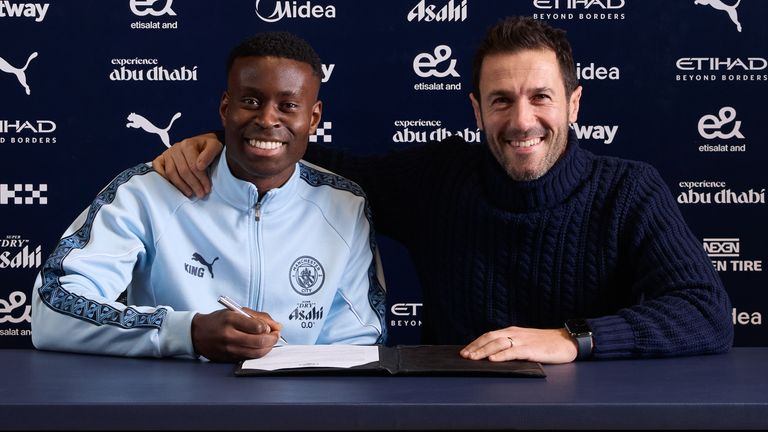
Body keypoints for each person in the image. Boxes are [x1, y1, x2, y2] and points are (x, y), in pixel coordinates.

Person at [153, 17, 733, 364]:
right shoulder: (440, 178)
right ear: (478, 110)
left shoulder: (628, 190)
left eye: (541, 97)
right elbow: (314, 156)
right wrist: (220, 138)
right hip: (456, 411)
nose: (522, 120)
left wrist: (570, 339)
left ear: (574, 104)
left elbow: (705, 312)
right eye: (502, 101)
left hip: (594, 414)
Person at [31, 32, 386, 362]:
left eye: (288, 105)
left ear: (314, 118)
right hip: (168, 413)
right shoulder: (148, 192)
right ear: (224, 107)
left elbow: (358, 346)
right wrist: (188, 332)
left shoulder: (345, 206)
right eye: (250, 100)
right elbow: (53, 309)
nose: (266, 119)